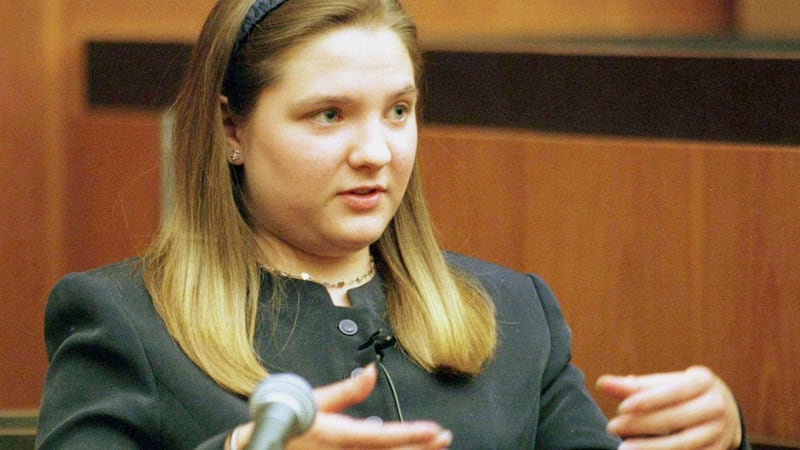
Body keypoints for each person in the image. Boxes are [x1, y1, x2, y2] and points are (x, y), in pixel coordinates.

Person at [36, 0, 750, 449]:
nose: (377, 152)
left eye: (398, 110)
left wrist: (719, 437)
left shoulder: (516, 314)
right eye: (330, 114)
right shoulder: (124, 321)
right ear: (231, 128)